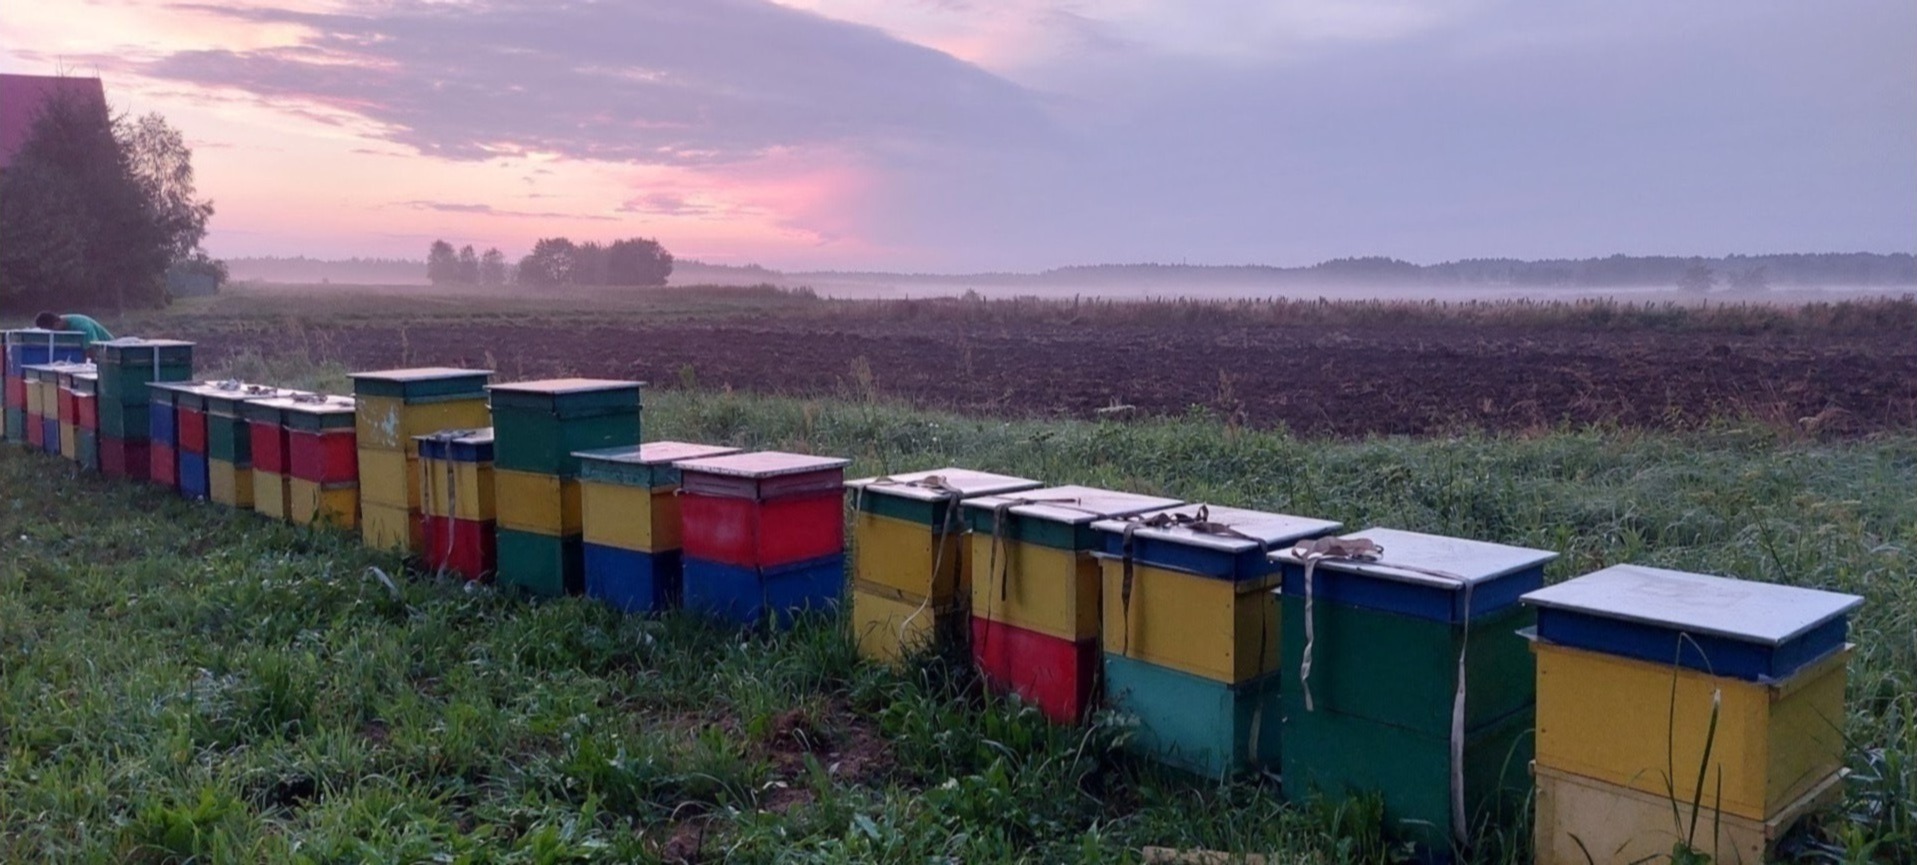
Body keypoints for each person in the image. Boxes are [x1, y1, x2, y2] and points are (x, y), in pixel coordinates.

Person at [34, 311, 115, 360]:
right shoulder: (60, 324)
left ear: (57, 323)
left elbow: (92, 350)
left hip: (109, 353)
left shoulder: (83, 326)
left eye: (53, 330)